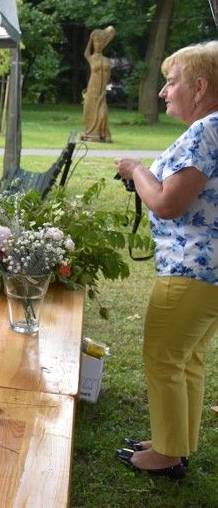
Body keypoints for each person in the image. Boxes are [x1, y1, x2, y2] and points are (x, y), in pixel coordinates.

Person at [114, 40, 218, 480]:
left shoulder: (206, 130)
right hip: (207, 272)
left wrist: (136, 169)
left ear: (199, 86)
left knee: (162, 357)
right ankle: (174, 443)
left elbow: (168, 203)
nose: (163, 92)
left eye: (170, 82)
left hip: (190, 270)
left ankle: (168, 455)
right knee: (185, 359)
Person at [82, 26, 115, 142]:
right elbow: (86, 54)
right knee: (89, 110)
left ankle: (104, 134)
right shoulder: (91, 58)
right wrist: (91, 39)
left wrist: (106, 89)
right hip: (92, 89)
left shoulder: (107, 61)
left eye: (100, 43)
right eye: (96, 44)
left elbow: (108, 78)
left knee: (102, 114)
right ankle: (90, 133)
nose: (98, 46)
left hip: (102, 90)